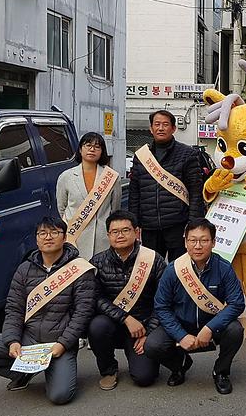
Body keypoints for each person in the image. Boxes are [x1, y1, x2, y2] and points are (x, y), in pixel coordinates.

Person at [0, 217, 96, 405]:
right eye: (43, 233)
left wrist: (63, 344)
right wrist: (12, 341)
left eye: (54, 233)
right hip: (29, 339)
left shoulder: (79, 270)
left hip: (59, 342)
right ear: (37, 239)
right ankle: (23, 373)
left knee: (60, 396)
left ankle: (54, 370)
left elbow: (82, 313)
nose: (48, 237)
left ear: (64, 237)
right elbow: (14, 308)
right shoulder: (24, 269)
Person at [144, 218, 245, 394]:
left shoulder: (224, 268)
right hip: (181, 323)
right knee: (153, 345)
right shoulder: (173, 270)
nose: (198, 246)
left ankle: (221, 372)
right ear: (185, 242)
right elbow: (161, 307)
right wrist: (180, 335)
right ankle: (180, 365)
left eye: (204, 240)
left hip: (213, 324)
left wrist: (210, 328)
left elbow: (237, 303)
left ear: (213, 242)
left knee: (235, 330)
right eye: (193, 240)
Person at [88, 210, 167, 390]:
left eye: (125, 230)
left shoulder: (153, 260)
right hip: (114, 324)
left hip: (143, 325)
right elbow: (96, 298)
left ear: (137, 232)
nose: (120, 235)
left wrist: (149, 330)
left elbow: (164, 300)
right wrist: (125, 318)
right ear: (108, 235)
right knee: (97, 325)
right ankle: (108, 370)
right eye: (115, 232)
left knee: (144, 377)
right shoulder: (98, 261)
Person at [129, 110, 206, 262]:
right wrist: (134, 223)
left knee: (180, 268)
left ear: (173, 128)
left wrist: (193, 224)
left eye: (165, 124)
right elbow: (134, 193)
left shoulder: (188, 154)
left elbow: (196, 192)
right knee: (150, 269)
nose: (161, 128)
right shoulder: (142, 156)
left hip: (178, 224)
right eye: (157, 124)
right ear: (151, 129)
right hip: (149, 226)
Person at [56, 132, 121, 260]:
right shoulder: (66, 177)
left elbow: (115, 210)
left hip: (102, 238)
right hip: (75, 237)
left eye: (97, 147)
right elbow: (62, 207)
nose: (92, 149)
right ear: (80, 149)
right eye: (88, 145)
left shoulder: (112, 177)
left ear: (102, 151)